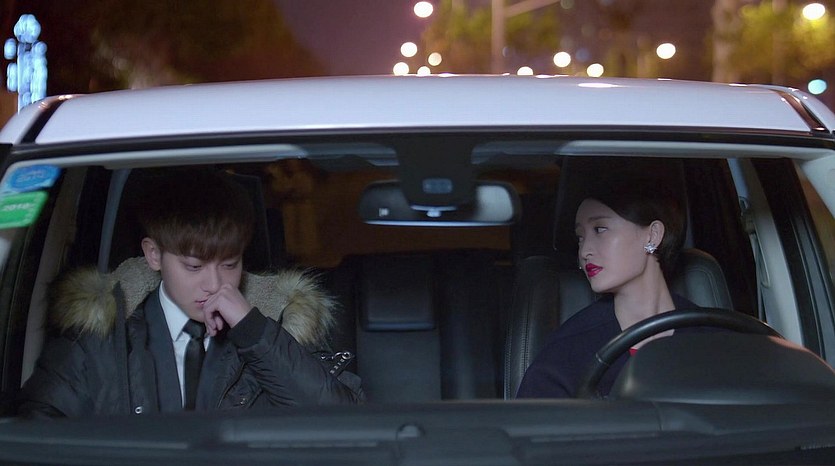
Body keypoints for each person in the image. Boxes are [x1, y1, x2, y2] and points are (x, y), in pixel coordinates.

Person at [18, 168, 363, 417]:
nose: (214, 284)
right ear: (154, 255)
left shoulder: (280, 327)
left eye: (229, 264)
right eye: (194, 267)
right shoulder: (100, 333)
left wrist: (254, 331)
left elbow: (343, 422)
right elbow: (34, 434)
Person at [516, 177, 707, 398]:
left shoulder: (712, 337)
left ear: (653, 235)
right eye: (580, 238)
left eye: (600, 229)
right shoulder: (566, 352)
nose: (585, 251)